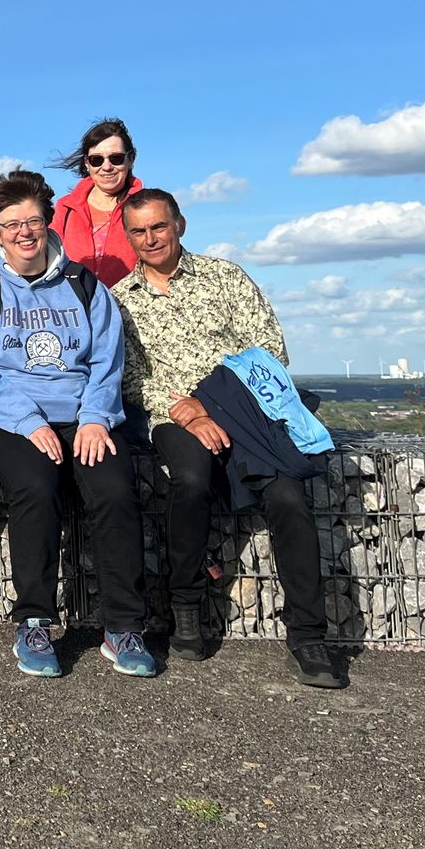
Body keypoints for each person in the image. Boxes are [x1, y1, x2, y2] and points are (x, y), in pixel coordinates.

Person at [114, 189, 344, 688]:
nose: (150, 238)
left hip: (247, 416)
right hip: (173, 419)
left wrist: (210, 405)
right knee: (191, 482)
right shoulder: (121, 301)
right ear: (128, 236)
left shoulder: (226, 277)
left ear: (179, 225)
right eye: (139, 231)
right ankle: (187, 606)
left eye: (159, 226)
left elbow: (268, 352)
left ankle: (308, 635)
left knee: (287, 497)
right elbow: (130, 375)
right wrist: (186, 412)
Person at [0, 169, 155, 679]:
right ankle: (35, 621)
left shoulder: (84, 284)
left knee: (112, 488)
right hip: (8, 416)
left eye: (33, 220)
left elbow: (109, 360)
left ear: (48, 222)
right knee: (36, 488)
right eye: (11, 223)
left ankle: (124, 626)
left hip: (83, 414)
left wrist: (93, 419)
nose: (24, 231)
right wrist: (27, 421)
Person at [50, 118, 145, 288]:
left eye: (116, 158)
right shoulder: (65, 209)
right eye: (97, 160)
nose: (107, 166)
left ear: (130, 159)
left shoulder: (148, 207)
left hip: (132, 310)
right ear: (86, 163)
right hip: (78, 310)